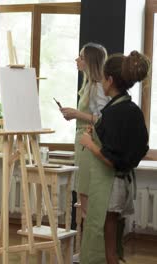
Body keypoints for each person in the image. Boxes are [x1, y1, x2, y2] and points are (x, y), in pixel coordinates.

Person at [79, 51, 149, 264]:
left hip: (111, 188)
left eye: (103, 78)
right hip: (124, 185)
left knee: (107, 250)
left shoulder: (112, 114)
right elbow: (140, 149)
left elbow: (112, 159)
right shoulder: (134, 111)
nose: (101, 82)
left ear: (110, 80)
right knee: (114, 245)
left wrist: (90, 144)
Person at [61, 43, 109, 222]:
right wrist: (74, 115)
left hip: (91, 145)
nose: (77, 59)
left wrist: (76, 114)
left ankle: (91, 246)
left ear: (90, 62)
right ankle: (87, 245)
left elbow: (104, 119)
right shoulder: (89, 86)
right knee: (83, 193)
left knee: (86, 194)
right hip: (83, 143)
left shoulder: (98, 87)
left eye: (81, 57)